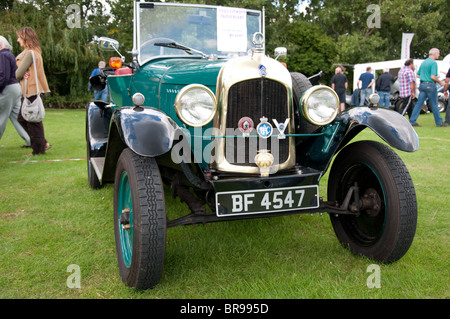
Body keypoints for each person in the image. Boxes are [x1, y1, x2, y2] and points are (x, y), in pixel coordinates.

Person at [15, 26, 51, 156]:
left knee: (31, 119)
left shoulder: (29, 54)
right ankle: (42, 144)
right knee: (25, 118)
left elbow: (18, 74)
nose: (18, 40)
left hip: (31, 89)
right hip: (33, 89)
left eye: (19, 37)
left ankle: (38, 149)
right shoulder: (35, 52)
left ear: (25, 38)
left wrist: (20, 73)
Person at [409, 48, 447, 127]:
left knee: (419, 104)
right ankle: (439, 122)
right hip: (430, 85)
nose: (439, 55)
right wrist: (440, 82)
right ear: (434, 54)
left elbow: (418, 75)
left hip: (422, 85)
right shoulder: (433, 63)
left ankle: (412, 121)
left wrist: (425, 77)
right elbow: (433, 76)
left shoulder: (424, 62)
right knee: (434, 104)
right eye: (438, 53)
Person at [0, 36, 27, 143]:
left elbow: (3, 76)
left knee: (2, 116)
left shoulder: (2, 55)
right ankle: (31, 140)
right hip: (15, 87)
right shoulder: (9, 55)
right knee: (17, 117)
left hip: (8, 89)